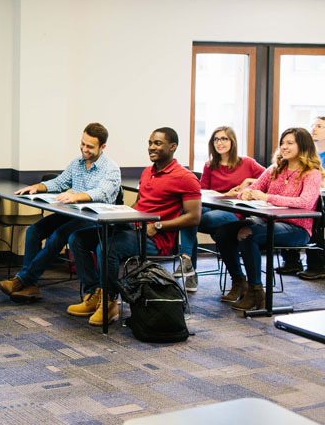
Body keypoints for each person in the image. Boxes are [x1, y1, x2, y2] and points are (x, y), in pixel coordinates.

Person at [66, 127, 201, 326]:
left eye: (157, 143)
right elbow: (140, 204)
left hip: (155, 239)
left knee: (108, 248)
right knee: (77, 239)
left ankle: (109, 303)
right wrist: (119, 215)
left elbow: (193, 217)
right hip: (133, 229)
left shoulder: (185, 178)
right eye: (149, 143)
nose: (151, 148)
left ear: (173, 147)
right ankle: (94, 294)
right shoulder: (148, 172)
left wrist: (159, 226)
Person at [0, 123, 121, 303]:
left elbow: (103, 193)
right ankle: (30, 286)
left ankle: (24, 280)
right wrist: (39, 187)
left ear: (103, 147)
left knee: (58, 236)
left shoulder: (111, 168)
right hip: (74, 213)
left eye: (90, 147)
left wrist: (79, 196)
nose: (84, 149)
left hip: (94, 217)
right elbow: (60, 182)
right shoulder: (77, 163)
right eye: (83, 144)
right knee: (33, 231)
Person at [216, 127, 324, 311]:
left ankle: (255, 291)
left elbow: (305, 203)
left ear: (303, 146)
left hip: (297, 229)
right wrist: (247, 193)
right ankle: (239, 280)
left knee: (247, 234)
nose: (284, 147)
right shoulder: (275, 169)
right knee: (223, 232)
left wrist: (267, 197)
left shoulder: (311, 173)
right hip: (268, 223)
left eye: (290, 143)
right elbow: (252, 188)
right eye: (282, 143)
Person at [175, 127, 264, 295]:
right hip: (212, 208)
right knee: (189, 214)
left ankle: (187, 265)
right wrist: (225, 195)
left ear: (232, 141)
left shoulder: (247, 163)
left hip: (234, 213)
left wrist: (248, 182)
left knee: (191, 218)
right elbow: (201, 194)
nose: (219, 143)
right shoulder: (210, 166)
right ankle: (188, 265)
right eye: (216, 139)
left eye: (224, 139)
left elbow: (270, 177)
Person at [298, 117, 325, 280]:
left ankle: (318, 264)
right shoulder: (308, 155)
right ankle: (292, 262)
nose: (314, 129)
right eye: (313, 125)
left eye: (320, 126)